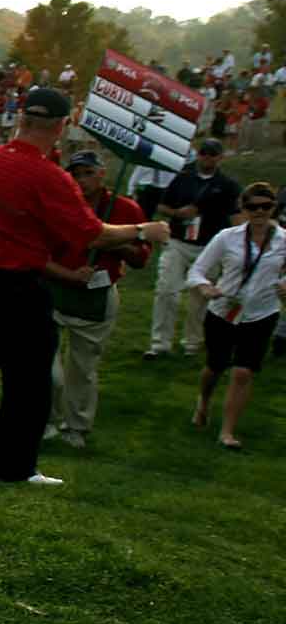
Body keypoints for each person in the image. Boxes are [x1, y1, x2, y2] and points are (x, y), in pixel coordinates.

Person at [0, 90, 169, 486]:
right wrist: (146, 229)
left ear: (21, 119)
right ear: (61, 126)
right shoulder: (48, 176)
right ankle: (15, 467)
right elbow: (92, 234)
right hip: (16, 286)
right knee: (28, 380)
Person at [41, 151, 151, 449]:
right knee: (47, 369)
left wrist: (115, 243)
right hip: (54, 289)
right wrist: (68, 273)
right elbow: (38, 252)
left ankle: (76, 426)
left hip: (98, 295)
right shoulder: (58, 204)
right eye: (75, 174)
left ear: (102, 174)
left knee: (83, 368)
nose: (81, 180)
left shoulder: (125, 209)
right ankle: (47, 420)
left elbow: (141, 258)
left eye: (87, 172)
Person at [186, 181, 286, 449]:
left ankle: (227, 432)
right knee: (215, 367)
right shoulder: (226, 237)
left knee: (243, 371)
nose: (259, 212)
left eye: (266, 206)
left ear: (274, 208)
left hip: (262, 314)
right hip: (223, 312)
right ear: (243, 208)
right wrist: (206, 288)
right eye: (253, 207)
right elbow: (196, 271)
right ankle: (204, 402)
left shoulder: (283, 240)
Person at [145, 139, 241, 360]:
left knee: (201, 297)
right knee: (166, 290)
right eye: (204, 153)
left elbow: (235, 216)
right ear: (198, 154)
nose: (208, 157)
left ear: (220, 157)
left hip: (209, 246)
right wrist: (179, 214)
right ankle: (159, 344)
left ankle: (193, 343)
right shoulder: (182, 177)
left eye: (213, 154)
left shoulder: (227, 185)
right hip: (178, 241)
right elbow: (160, 205)